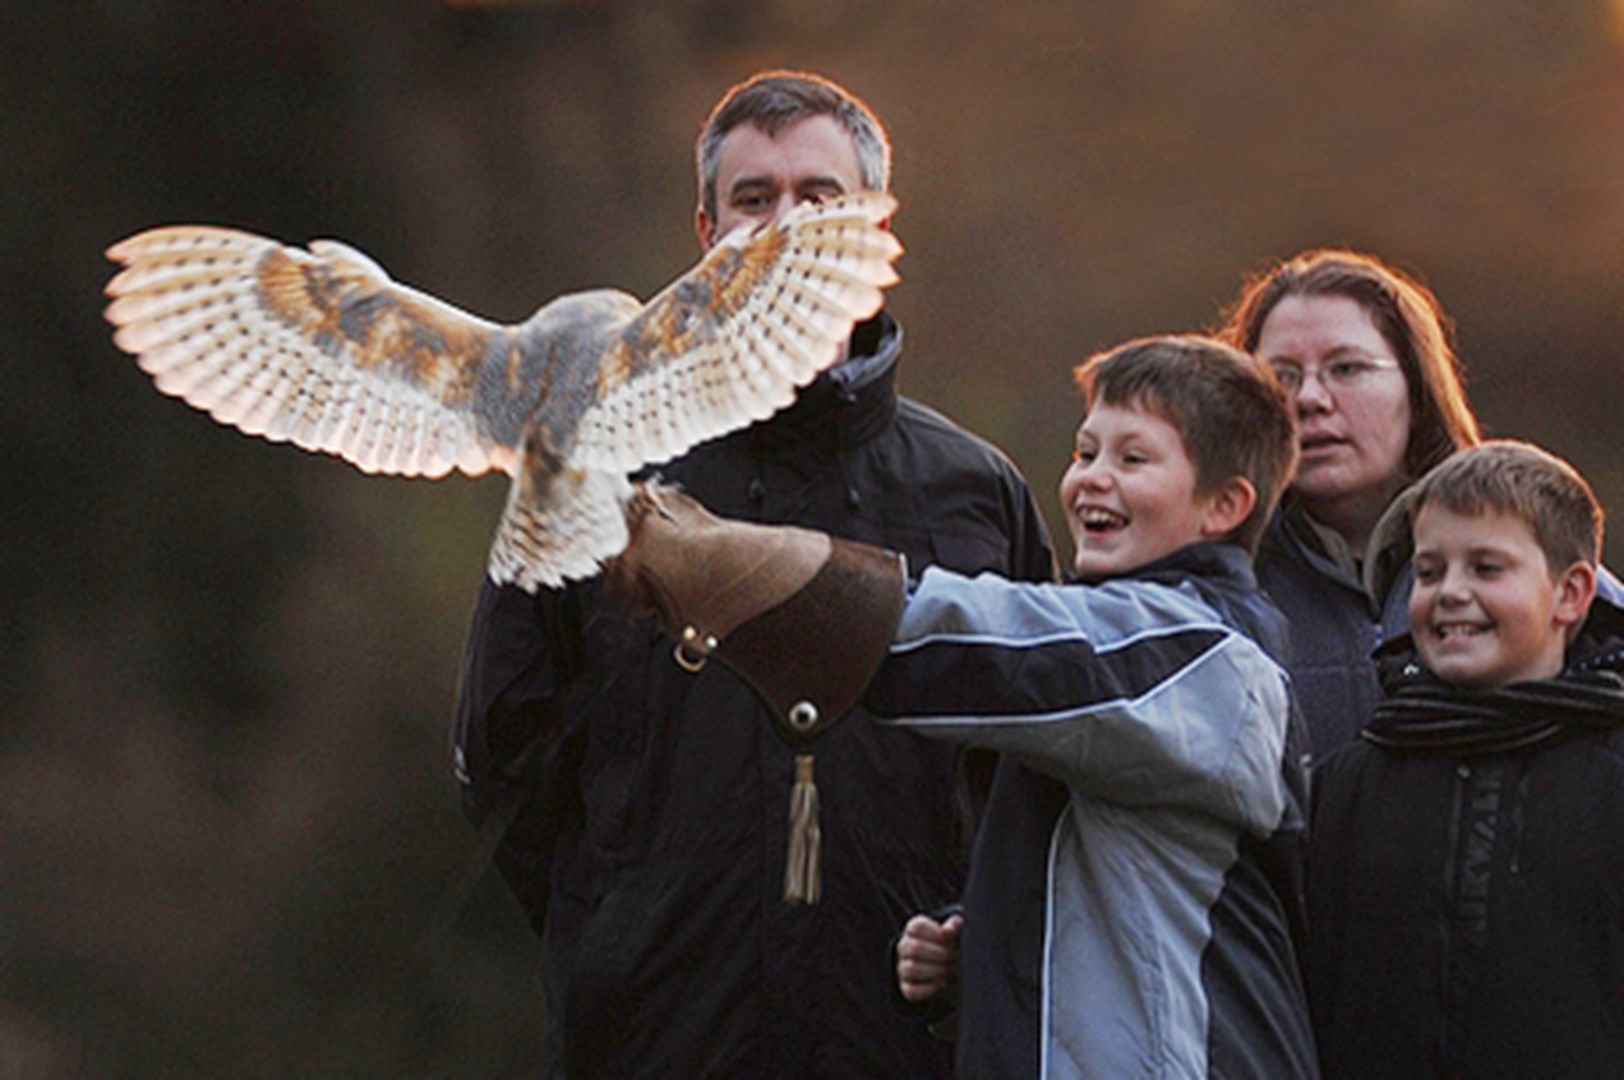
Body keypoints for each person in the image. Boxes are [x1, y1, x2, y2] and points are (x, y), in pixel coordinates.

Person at [452, 70, 1055, 1077]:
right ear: (704, 233)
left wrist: (962, 931)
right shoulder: (593, 470)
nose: (783, 227)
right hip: (659, 1042)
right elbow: (504, 751)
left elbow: (1031, 785)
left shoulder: (974, 494)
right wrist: (618, 934)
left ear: (874, 227)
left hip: (899, 1042)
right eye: (753, 198)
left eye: (819, 198)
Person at [613, 336, 1319, 1076]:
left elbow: (983, 649)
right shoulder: (1125, 654)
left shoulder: (1210, 661)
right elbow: (1119, 892)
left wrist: (719, 563)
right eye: (1085, 453)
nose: (1091, 480)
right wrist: (980, 940)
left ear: (1225, 505)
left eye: (1133, 459)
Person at [1303, 440, 1624, 1077]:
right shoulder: (1351, 785)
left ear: (1571, 594)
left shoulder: (1611, 776)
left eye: (1486, 568)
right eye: (1428, 572)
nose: (1450, 592)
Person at [1217, 249, 1483, 762]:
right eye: (1282, 376)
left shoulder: (1530, 559)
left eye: (1347, 368)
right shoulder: (1214, 588)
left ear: (1417, 388)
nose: (1310, 398)